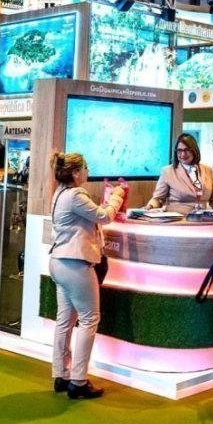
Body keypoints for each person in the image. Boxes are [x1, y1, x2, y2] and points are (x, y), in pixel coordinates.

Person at [49, 151, 125, 399]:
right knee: (89, 319)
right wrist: (117, 195)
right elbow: (104, 217)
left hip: (60, 261)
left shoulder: (60, 193)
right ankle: (79, 380)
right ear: (75, 172)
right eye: (85, 168)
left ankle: (61, 374)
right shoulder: (76, 195)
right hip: (76, 264)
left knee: (65, 321)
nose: (88, 172)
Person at [146, 133, 213, 213]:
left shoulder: (207, 170)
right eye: (179, 150)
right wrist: (150, 206)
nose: (183, 154)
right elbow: (158, 199)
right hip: (178, 218)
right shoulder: (168, 171)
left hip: (203, 218)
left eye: (187, 150)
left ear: (194, 150)